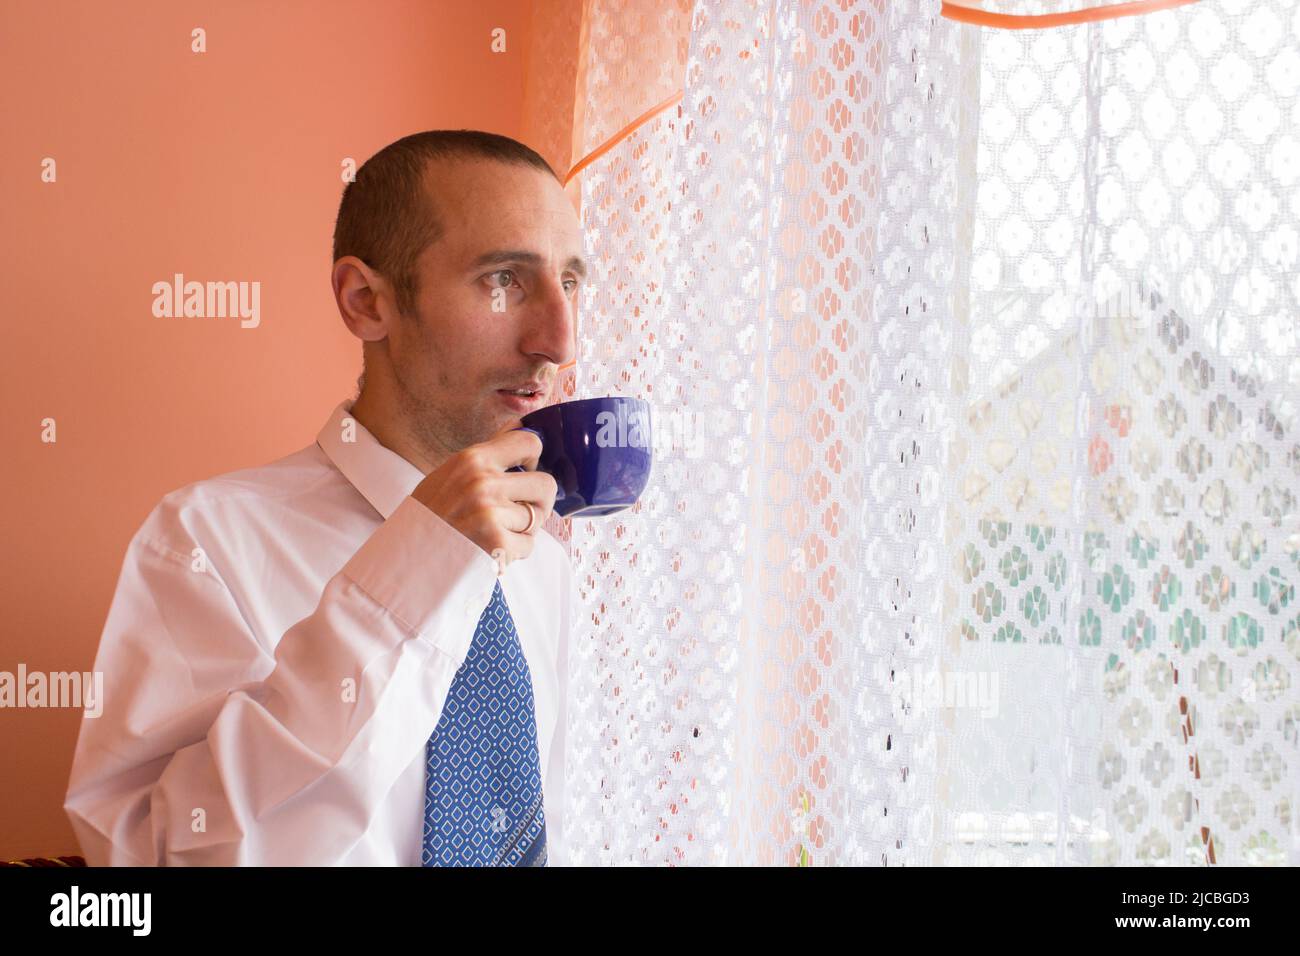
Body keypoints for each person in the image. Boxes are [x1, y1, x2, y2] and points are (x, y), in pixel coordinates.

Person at [62, 130, 585, 866]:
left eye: (572, 282)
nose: (559, 341)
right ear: (367, 301)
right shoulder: (204, 543)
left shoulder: (544, 569)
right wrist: (416, 571)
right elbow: (151, 858)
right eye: (505, 281)